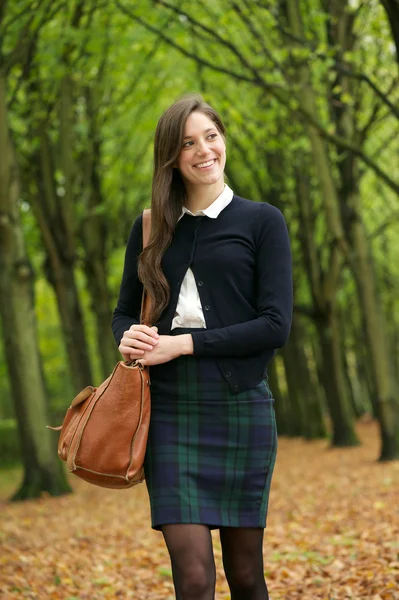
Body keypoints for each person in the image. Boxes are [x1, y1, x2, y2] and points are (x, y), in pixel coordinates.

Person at [112, 94, 292, 600]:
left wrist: (181, 346)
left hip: (241, 406)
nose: (203, 150)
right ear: (171, 157)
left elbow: (275, 326)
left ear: (223, 140)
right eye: (187, 143)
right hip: (169, 412)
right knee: (193, 580)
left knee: (247, 575)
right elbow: (124, 311)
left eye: (210, 136)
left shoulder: (263, 221)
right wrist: (127, 335)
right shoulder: (150, 228)